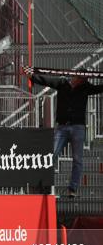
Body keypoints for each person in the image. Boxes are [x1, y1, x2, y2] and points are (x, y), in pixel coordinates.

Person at [24, 66, 103, 197]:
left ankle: (73, 188)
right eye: (82, 77)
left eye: (85, 78)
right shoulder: (62, 83)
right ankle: (45, 185)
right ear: (76, 76)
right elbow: (46, 80)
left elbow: (100, 88)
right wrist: (31, 76)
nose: (84, 80)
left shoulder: (85, 87)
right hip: (62, 127)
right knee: (52, 155)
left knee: (77, 159)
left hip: (78, 127)